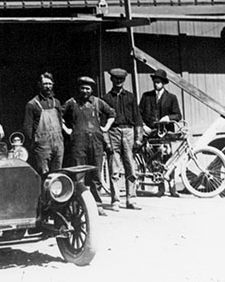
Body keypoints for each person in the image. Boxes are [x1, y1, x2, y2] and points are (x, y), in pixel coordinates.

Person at [63, 76, 115, 214]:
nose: (85, 91)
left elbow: (112, 113)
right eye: (82, 88)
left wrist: (105, 128)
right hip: (78, 143)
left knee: (96, 174)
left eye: (88, 88)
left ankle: (97, 205)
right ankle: (79, 205)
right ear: (79, 89)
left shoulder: (98, 102)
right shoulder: (72, 102)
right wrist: (67, 129)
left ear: (92, 90)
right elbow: (59, 115)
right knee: (78, 174)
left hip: (96, 142)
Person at [101, 68, 144, 210]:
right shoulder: (106, 99)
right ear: (111, 80)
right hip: (113, 132)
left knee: (130, 167)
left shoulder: (131, 97)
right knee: (114, 167)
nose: (118, 82)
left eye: (121, 80)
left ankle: (131, 199)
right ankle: (116, 200)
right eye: (116, 79)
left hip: (129, 132)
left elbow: (138, 119)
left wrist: (138, 138)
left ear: (124, 81)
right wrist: (106, 141)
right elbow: (103, 123)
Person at [22, 72, 68, 174]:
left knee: (58, 173)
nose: (48, 87)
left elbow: (60, 122)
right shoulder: (32, 104)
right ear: (39, 85)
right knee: (44, 174)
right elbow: (27, 127)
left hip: (58, 143)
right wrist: (35, 143)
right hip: (42, 146)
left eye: (50, 84)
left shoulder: (57, 102)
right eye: (45, 84)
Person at [138, 69, 182, 133]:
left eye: (158, 82)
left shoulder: (171, 97)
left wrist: (168, 117)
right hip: (149, 132)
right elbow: (138, 114)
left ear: (163, 83)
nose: (155, 84)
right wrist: (143, 126)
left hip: (166, 132)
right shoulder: (146, 96)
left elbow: (178, 116)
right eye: (154, 82)